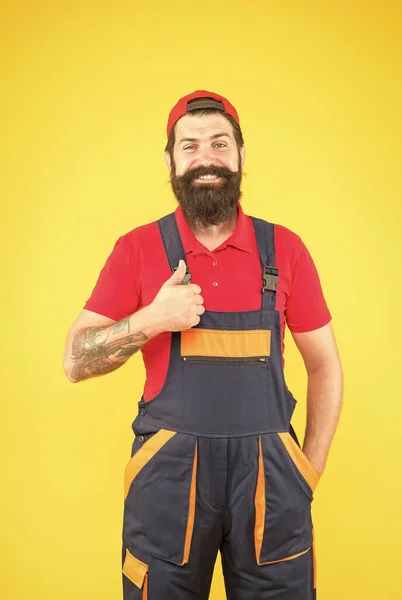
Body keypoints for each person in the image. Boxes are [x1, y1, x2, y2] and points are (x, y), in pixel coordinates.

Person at [62, 90, 343, 600]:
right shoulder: (138, 249)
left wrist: (307, 472)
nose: (206, 158)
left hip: (272, 488)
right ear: (170, 160)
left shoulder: (285, 249)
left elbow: (325, 366)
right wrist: (153, 318)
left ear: (240, 155)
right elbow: (75, 360)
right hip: (167, 486)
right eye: (190, 146)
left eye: (220, 143)